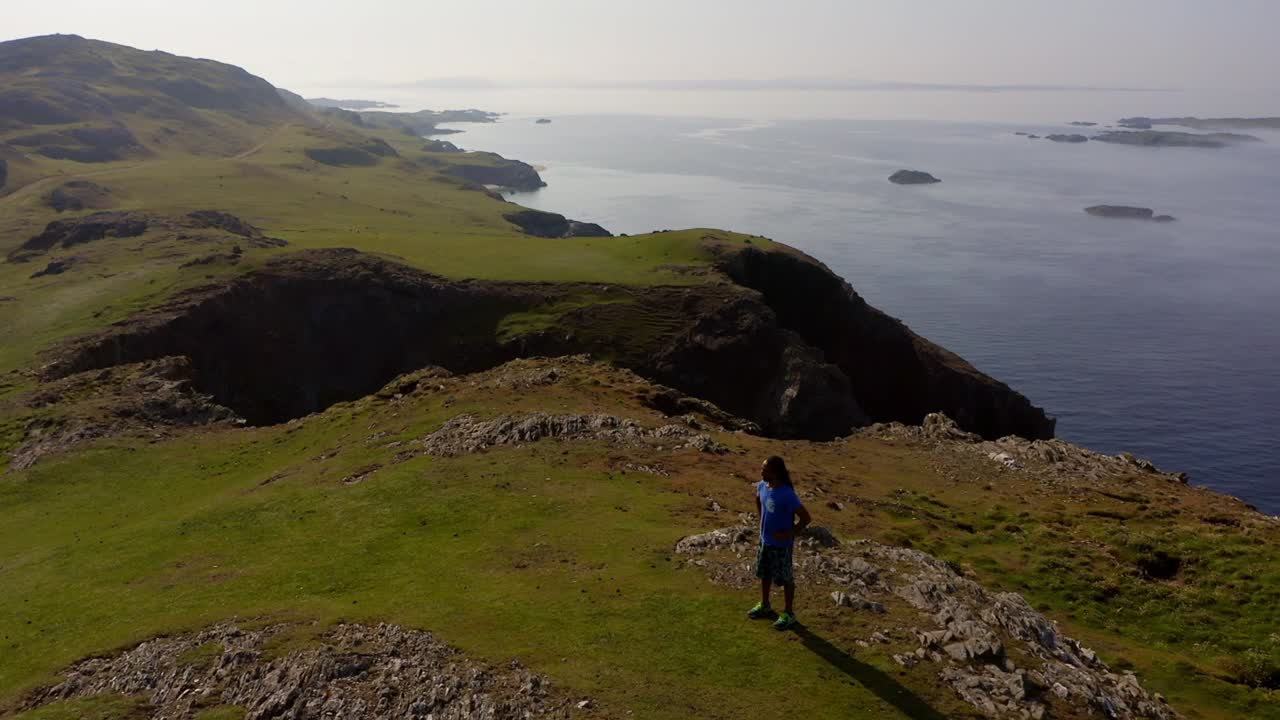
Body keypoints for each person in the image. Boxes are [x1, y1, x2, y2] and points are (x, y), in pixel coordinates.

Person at [747, 455, 811, 630]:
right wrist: (762, 521)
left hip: (781, 546)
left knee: (786, 578)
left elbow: (806, 518)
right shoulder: (761, 486)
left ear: (775, 472)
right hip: (765, 541)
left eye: (765, 469)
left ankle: (789, 614)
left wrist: (790, 534)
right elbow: (758, 499)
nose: (761, 472)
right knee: (765, 573)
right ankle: (765, 604)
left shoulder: (787, 494)